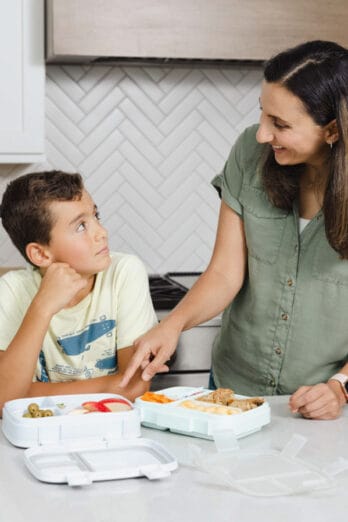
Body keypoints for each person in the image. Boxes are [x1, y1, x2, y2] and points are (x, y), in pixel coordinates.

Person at [121, 40, 348, 420]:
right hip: (233, 390)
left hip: (322, 405)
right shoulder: (251, 153)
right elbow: (226, 272)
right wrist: (172, 325)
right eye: (263, 114)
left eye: (280, 124)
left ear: (332, 130)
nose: (261, 134)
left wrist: (340, 387)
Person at [0, 170, 157, 414]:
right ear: (40, 254)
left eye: (96, 215)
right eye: (81, 226)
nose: (101, 232)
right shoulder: (12, 289)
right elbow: (3, 399)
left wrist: (28, 392)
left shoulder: (124, 272)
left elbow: (134, 385)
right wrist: (42, 307)